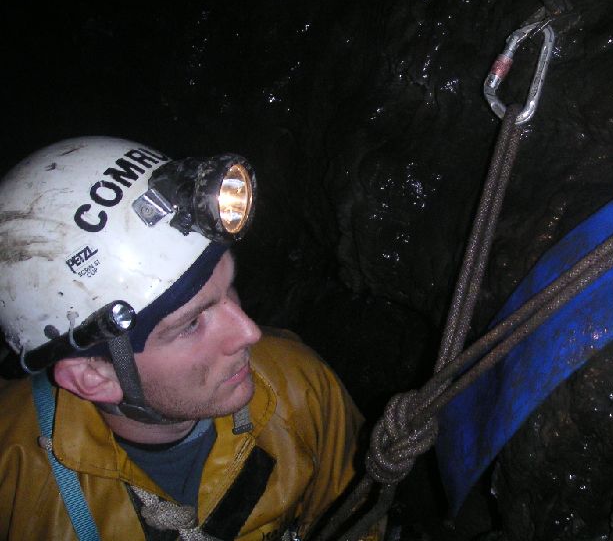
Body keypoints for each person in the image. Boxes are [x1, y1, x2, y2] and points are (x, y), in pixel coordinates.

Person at [0, 138, 378, 540]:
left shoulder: (299, 386)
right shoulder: (15, 481)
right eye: (192, 324)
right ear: (94, 377)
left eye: (229, 288)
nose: (250, 332)